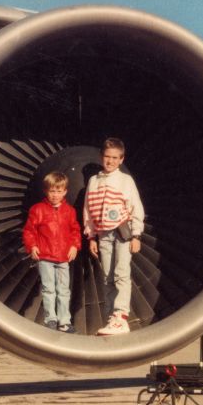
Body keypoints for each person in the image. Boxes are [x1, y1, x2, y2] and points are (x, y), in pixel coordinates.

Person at [83, 138, 145, 335]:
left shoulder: (126, 181)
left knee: (121, 274)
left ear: (121, 159)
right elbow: (88, 210)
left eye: (114, 158)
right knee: (107, 277)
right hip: (103, 234)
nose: (110, 161)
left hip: (122, 233)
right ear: (102, 157)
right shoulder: (93, 181)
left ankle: (121, 316)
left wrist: (136, 235)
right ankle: (111, 317)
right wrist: (91, 236)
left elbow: (136, 207)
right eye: (107, 157)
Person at [23, 171, 82, 333]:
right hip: (45, 257)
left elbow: (75, 230)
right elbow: (29, 231)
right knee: (48, 289)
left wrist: (74, 246)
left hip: (63, 258)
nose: (55, 195)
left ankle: (64, 321)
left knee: (63, 290)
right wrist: (32, 246)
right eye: (52, 191)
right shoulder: (37, 210)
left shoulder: (69, 211)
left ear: (65, 192)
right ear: (46, 191)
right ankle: (50, 319)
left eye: (59, 191)